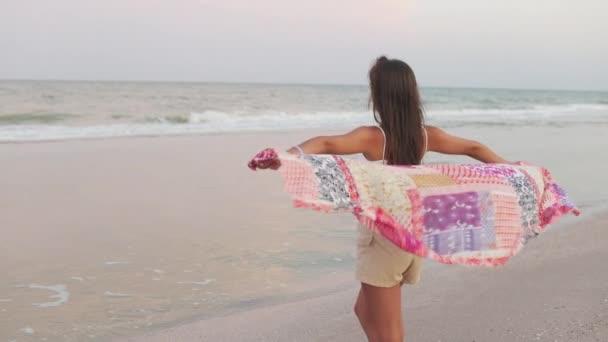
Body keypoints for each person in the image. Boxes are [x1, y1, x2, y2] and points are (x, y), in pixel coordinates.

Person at [264, 56, 507, 342]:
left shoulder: (372, 137)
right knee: (363, 311)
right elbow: (474, 147)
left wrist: (284, 156)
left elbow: (326, 143)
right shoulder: (426, 136)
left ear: (379, 95)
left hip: (384, 240)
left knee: (390, 330)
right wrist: (512, 169)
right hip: (411, 235)